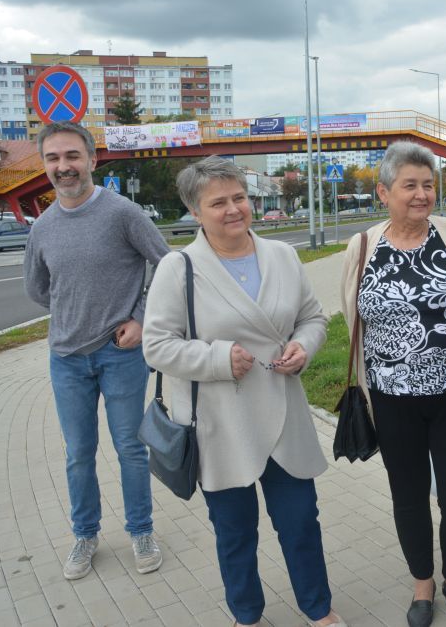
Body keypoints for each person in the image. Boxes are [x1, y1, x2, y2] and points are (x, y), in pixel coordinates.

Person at [141, 157, 344, 627]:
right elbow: (156, 345)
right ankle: (246, 615)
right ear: (196, 211)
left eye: (239, 198)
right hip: (221, 424)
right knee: (234, 533)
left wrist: (304, 347)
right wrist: (216, 359)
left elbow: (312, 318)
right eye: (218, 202)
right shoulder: (180, 267)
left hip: (283, 416)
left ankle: (318, 609)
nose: (234, 209)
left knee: (300, 525)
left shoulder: (282, 256)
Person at [341, 141, 446, 627]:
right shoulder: (363, 245)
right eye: (410, 185)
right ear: (384, 192)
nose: (421, 194)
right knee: (407, 495)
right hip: (392, 399)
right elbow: (352, 314)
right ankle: (422, 584)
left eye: (428, 185)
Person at [24, 121, 168, 581]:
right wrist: (75, 314)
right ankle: (85, 535)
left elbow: (167, 265)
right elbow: (39, 290)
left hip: (120, 353)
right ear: (45, 165)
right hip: (66, 358)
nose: (63, 167)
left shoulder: (123, 213)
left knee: (130, 448)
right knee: (77, 452)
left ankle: (141, 530)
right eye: (53, 158)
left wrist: (141, 318)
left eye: (71, 156)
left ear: (91, 159)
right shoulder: (42, 228)